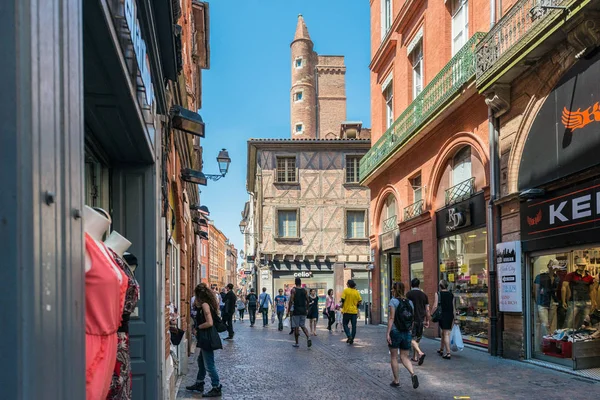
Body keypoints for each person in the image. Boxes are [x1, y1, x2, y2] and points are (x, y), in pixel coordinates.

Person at [186, 283, 222, 397]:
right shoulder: (204, 304)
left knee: (209, 364)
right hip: (205, 337)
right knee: (201, 361)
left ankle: (216, 386)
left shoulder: (205, 305)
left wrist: (198, 327)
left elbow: (209, 322)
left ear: (199, 295)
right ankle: (199, 383)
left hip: (207, 337)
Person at [387, 282, 419, 389]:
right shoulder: (410, 302)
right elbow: (412, 318)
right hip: (406, 332)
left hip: (395, 332)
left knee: (394, 357)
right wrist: (410, 330)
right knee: (405, 357)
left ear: (395, 290)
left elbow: (391, 318)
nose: (391, 291)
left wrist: (388, 333)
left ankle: (396, 381)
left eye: (392, 289)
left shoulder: (393, 301)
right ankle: (413, 374)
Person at [534, 259, 560, 345]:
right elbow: (536, 290)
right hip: (542, 302)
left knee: (550, 324)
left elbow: (556, 291)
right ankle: (546, 343)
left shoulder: (557, 278)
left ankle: (548, 342)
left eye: (555, 268)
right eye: (553, 267)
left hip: (552, 301)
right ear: (549, 267)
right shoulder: (540, 277)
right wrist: (537, 301)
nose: (554, 269)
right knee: (545, 324)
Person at [406, 278, 429, 365]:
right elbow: (427, 309)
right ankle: (415, 357)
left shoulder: (408, 294)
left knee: (410, 338)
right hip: (421, 320)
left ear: (411, 285)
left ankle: (420, 353)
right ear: (419, 285)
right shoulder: (424, 295)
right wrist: (427, 320)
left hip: (411, 320)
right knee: (418, 339)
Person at [432, 280, 456, 359]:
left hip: (442, 315)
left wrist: (431, 313)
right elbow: (453, 307)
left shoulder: (438, 294)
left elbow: (435, 305)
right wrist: (454, 317)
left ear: (440, 286)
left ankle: (448, 353)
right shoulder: (451, 294)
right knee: (443, 333)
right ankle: (441, 349)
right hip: (450, 315)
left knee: (445, 334)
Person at [287, 277, 311, 348]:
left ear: (295, 282)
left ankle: (297, 343)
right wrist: (306, 309)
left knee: (296, 327)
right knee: (303, 326)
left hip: (296, 310)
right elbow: (308, 300)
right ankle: (308, 337)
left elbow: (291, 301)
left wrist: (288, 311)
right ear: (300, 282)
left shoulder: (294, 290)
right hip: (303, 310)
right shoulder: (305, 290)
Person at [341, 279, 362, 344]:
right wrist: (356, 306)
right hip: (354, 312)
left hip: (347, 311)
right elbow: (360, 301)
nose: (346, 285)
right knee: (354, 326)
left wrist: (342, 306)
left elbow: (342, 299)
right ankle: (351, 339)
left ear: (349, 284)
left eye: (347, 283)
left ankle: (349, 336)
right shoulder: (356, 292)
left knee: (345, 324)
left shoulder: (346, 290)